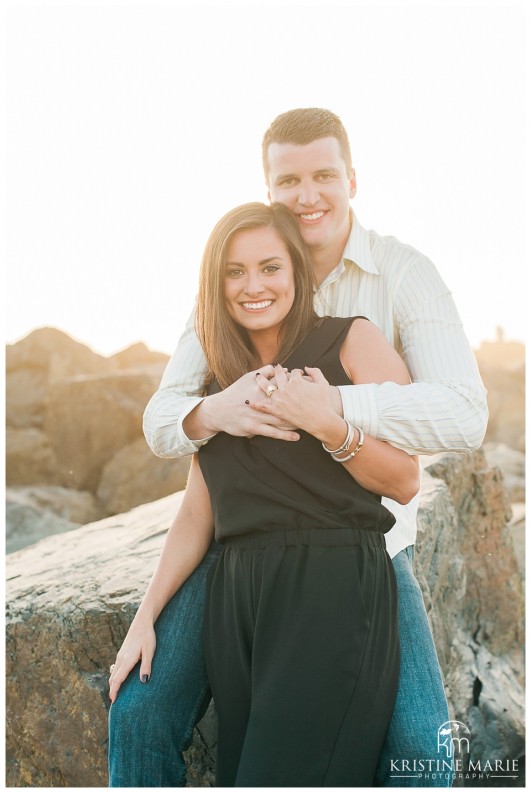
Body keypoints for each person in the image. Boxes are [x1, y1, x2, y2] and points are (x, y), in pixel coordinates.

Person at [108, 108, 488, 788]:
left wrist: (330, 408)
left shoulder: (397, 281)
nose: (307, 194)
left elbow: (459, 420)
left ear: (351, 180)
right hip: (240, 557)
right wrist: (217, 408)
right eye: (289, 180)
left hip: (353, 550)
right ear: (268, 189)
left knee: (423, 755)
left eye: (323, 176)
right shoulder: (225, 316)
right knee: (139, 712)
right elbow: (168, 427)